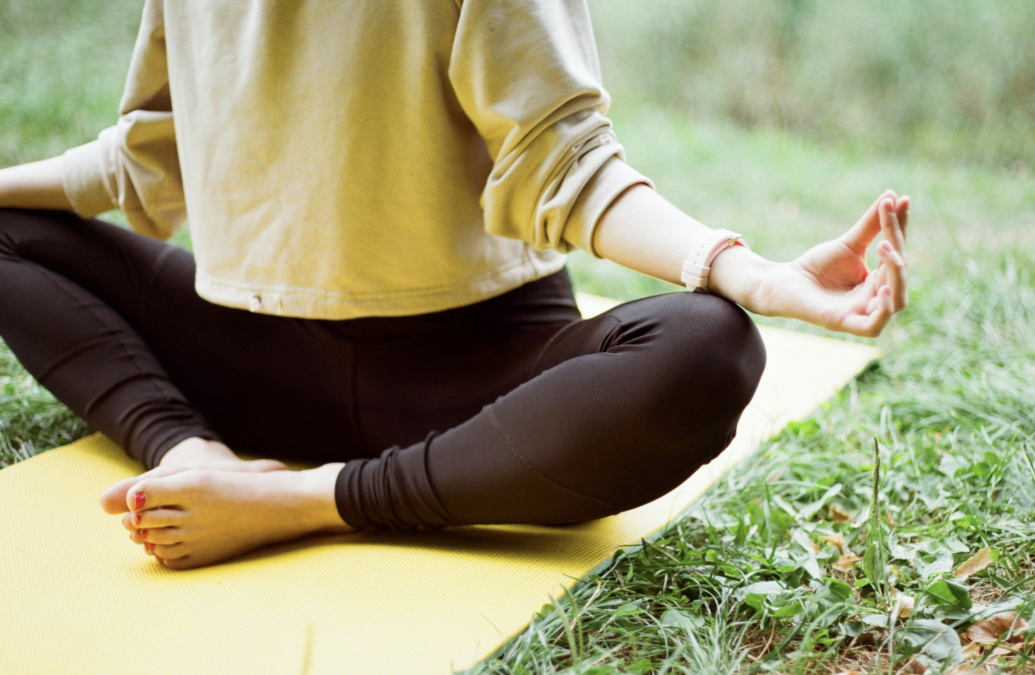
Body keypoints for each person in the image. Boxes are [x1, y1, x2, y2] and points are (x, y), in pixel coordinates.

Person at [0, 0, 908, 570]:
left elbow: (570, 165)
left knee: (710, 347)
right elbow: (147, 156)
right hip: (254, 353)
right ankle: (192, 458)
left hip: (477, 382)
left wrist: (749, 274)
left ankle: (303, 501)